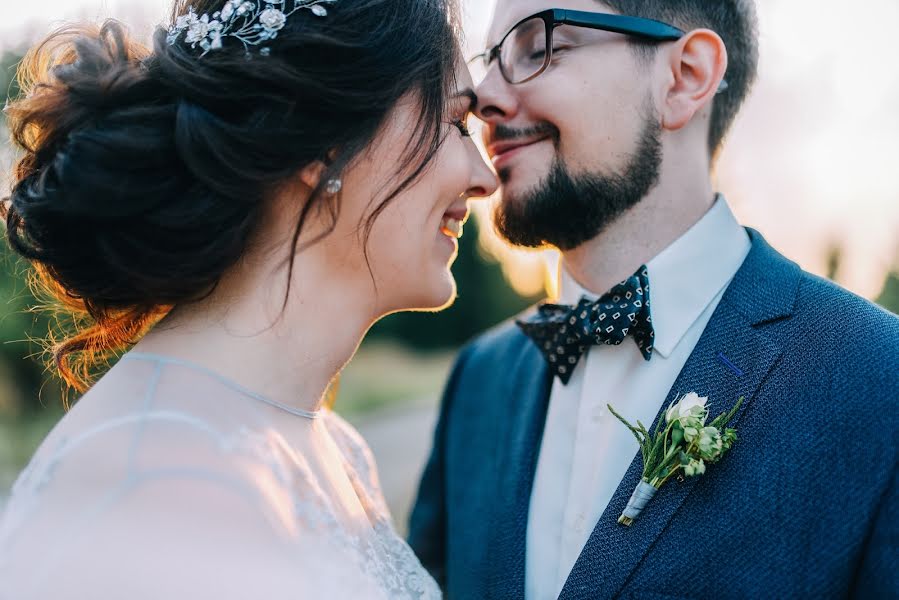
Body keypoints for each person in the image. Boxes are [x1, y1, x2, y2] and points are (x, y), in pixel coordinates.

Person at [0, 0, 497, 597]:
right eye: (456, 123)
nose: (484, 176)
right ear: (325, 139)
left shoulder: (338, 449)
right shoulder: (155, 478)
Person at [408, 1, 899, 598]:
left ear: (685, 77)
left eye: (538, 48)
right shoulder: (477, 382)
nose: (482, 95)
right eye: (491, 62)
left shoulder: (879, 381)